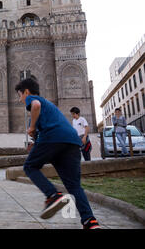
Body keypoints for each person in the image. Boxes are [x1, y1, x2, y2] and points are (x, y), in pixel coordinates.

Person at [16, 78, 101, 229]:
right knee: (74, 186)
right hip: (72, 142)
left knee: (30, 167)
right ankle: (90, 221)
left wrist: (32, 127)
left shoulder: (34, 99)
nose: (20, 99)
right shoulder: (50, 108)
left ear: (26, 92)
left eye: (20, 95)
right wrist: (35, 142)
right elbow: (41, 139)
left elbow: (35, 105)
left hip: (54, 138)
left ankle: (52, 195)